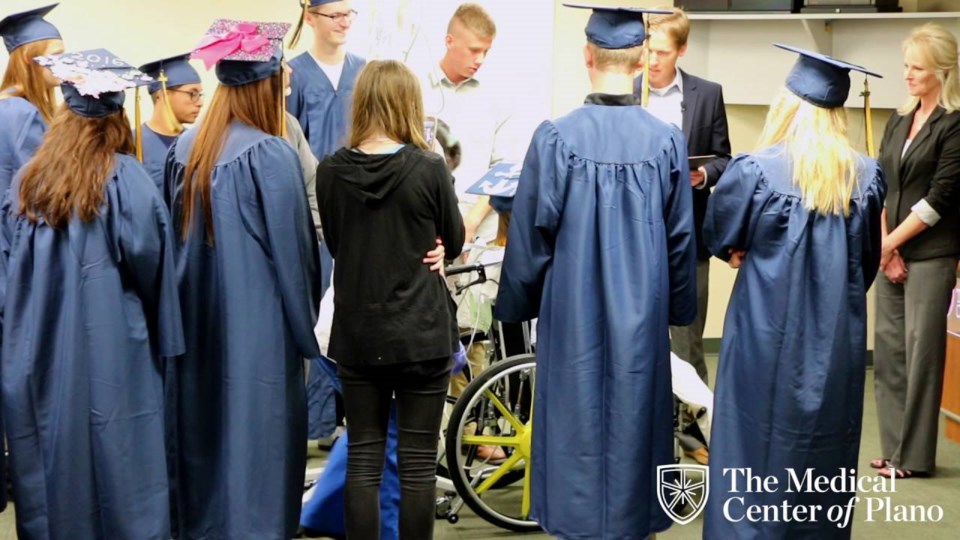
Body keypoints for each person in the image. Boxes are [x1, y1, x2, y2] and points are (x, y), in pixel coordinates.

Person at [495, 5, 696, 538]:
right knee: (635, 414)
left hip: (572, 311)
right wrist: (677, 310)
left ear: (587, 55)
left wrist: (516, 306)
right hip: (643, 312)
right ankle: (633, 523)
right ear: (639, 61)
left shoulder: (555, 138)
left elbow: (531, 237)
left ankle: (576, 523)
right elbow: (681, 238)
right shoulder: (667, 140)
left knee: (575, 416)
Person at [701, 45, 885, 539]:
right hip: (836, 346)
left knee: (751, 444)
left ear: (788, 104)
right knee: (825, 449)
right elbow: (865, 266)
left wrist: (740, 250)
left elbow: (718, 236)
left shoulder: (757, 170)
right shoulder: (866, 177)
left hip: (763, 338)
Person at [1, 49, 183, 539]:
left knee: (55, 461)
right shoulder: (126, 179)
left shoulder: (27, 182)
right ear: (117, 117)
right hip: (113, 350)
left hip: (40, 348)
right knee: (123, 463)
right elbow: (153, 268)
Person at [164, 20, 321, 540]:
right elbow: (295, 258)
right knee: (257, 446)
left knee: (202, 440)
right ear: (267, 85)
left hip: (193, 330)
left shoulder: (185, 151)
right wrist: (308, 333)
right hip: (258, 338)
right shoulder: (270, 155)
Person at [316, 59, 464, 540]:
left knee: (364, 458)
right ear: (409, 104)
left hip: (359, 333)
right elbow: (454, 239)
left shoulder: (331, 171)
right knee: (419, 465)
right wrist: (437, 248)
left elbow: (338, 244)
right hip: (422, 333)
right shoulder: (428, 167)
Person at [874, 23, 960, 480]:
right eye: (906, 65)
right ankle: (892, 450)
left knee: (922, 355)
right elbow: (882, 184)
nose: (907, 75)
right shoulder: (899, 116)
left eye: (917, 68)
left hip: (931, 255)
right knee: (889, 354)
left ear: (942, 71)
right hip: (892, 252)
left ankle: (914, 458)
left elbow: (940, 198)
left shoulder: (955, 123)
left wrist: (889, 243)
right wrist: (886, 247)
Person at [288, 0, 367, 444]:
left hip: (363, 214)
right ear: (311, 17)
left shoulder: (365, 72)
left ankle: (356, 421)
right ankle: (318, 425)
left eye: (348, 13)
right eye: (333, 14)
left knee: (356, 312)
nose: (343, 22)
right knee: (317, 313)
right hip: (315, 219)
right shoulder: (294, 76)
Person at [421, 3, 509, 249]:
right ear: (450, 41)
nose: (479, 59)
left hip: (480, 232)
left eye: (485, 51)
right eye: (473, 50)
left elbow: (502, 169)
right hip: (427, 229)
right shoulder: (416, 89)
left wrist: (470, 223)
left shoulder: (496, 97)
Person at [0, 3, 64, 198]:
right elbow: (39, 187)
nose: (63, 62)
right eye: (56, 55)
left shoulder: (13, 104)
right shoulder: (18, 111)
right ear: (29, 58)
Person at [138, 54, 204, 189]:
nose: (200, 103)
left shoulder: (199, 142)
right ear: (162, 95)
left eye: (200, 94)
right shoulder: (132, 143)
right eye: (192, 94)